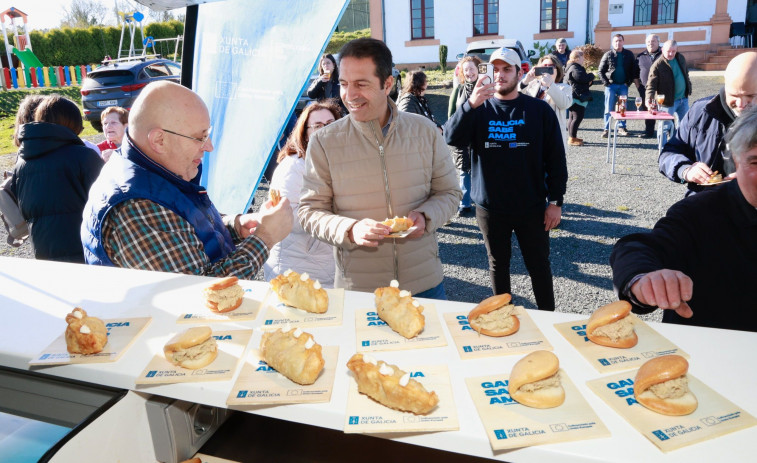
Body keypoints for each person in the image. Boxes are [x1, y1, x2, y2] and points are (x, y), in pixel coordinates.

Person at [298, 38, 460, 299]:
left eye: (361, 84)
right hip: (359, 291)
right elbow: (309, 211)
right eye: (343, 84)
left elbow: (450, 194)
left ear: (387, 84)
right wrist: (349, 229)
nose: (349, 95)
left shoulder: (425, 131)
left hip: (424, 284)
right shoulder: (324, 142)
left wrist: (427, 216)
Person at [81, 81, 293, 278]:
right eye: (200, 137)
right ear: (159, 140)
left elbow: (182, 224)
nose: (209, 146)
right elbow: (201, 294)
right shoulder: (135, 208)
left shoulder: (148, 170)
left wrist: (234, 226)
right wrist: (265, 238)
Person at [610, 105, 757, 332]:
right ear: (736, 161)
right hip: (707, 355)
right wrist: (644, 279)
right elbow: (637, 248)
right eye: (755, 162)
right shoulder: (702, 212)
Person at [444, 47, 568, 310]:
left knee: (539, 266)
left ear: (519, 72)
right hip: (490, 208)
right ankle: (501, 316)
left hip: (532, 206)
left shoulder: (538, 110)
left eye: (506, 69)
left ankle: (548, 317)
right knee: (498, 265)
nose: (500, 75)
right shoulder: (477, 109)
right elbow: (451, 138)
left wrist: (555, 201)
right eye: (494, 69)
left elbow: (556, 159)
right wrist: (470, 104)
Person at [9, 95, 104, 263]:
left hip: (44, 253)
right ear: (73, 123)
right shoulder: (83, 156)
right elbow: (107, 204)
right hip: (86, 253)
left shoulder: (21, 164)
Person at [263, 100, 343, 287]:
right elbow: (286, 217)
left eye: (331, 124)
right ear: (305, 133)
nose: (325, 130)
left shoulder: (338, 162)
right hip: (296, 267)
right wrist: (341, 214)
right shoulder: (293, 166)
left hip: (324, 263)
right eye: (317, 126)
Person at [658, 51, 757, 196]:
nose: (741, 104)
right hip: (702, 205)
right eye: (734, 95)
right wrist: (686, 169)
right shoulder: (701, 111)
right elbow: (669, 152)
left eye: (751, 96)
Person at [447, 55, 482, 216]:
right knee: (464, 169)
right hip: (463, 137)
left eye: (472, 69)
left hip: (482, 135)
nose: (469, 72)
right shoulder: (459, 90)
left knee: (482, 167)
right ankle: (465, 202)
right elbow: (451, 116)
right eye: (465, 69)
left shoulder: (487, 87)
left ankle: (482, 198)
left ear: (479, 70)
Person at [645, 40, 692, 150]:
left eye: (673, 51)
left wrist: (688, 85)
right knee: (664, 127)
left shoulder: (680, 58)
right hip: (667, 102)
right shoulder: (657, 65)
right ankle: (663, 150)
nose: (671, 54)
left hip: (683, 99)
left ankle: (680, 149)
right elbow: (651, 85)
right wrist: (648, 99)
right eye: (668, 51)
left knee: (683, 126)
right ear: (662, 50)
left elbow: (686, 73)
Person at [519, 54, 572, 147]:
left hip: (552, 135)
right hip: (531, 132)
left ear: (557, 70)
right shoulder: (532, 85)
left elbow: (564, 104)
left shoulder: (564, 88)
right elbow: (514, 97)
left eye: (551, 67)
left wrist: (550, 85)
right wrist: (526, 80)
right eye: (544, 67)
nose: (547, 70)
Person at [598, 34, 637, 137]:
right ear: (612, 43)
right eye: (615, 41)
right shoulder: (608, 54)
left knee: (623, 107)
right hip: (611, 86)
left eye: (620, 41)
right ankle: (606, 129)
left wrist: (628, 82)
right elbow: (600, 71)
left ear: (623, 42)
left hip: (623, 86)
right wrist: (606, 83)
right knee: (608, 108)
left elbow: (633, 69)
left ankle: (622, 127)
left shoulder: (629, 54)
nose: (618, 43)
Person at [564, 49, 595, 146]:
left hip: (573, 95)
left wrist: (588, 81)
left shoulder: (570, 67)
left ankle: (572, 136)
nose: (583, 60)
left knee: (572, 117)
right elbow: (582, 78)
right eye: (582, 57)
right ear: (577, 58)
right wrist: (591, 76)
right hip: (577, 96)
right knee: (577, 118)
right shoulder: (575, 68)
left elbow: (580, 81)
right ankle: (572, 139)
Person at [634, 33, 662, 138]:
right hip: (645, 89)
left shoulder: (664, 54)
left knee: (664, 110)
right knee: (647, 110)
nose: (651, 43)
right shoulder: (640, 56)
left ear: (658, 43)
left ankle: (667, 131)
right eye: (649, 42)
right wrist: (638, 86)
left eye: (653, 41)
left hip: (661, 90)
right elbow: (635, 73)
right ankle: (649, 132)